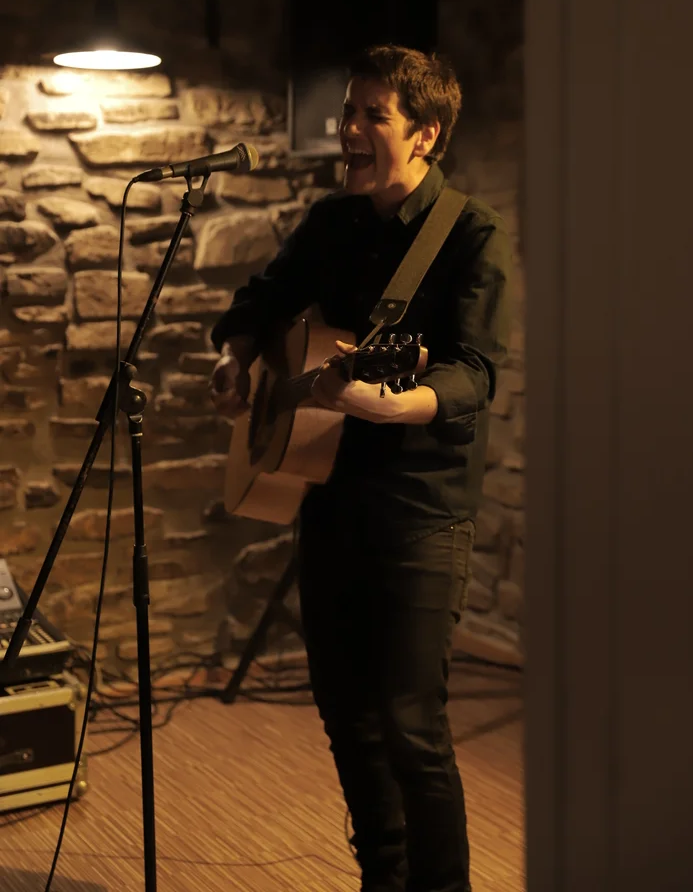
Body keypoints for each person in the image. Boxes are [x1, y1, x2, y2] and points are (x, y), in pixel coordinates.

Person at [209, 44, 513, 892]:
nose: (347, 129)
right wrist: (237, 358)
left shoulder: (474, 237)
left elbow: (472, 374)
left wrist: (389, 404)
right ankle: (384, 875)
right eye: (348, 111)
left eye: (372, 115)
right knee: (346, 712)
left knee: (411, 724)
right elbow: (262, 297)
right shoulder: (331, 222)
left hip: (421, 508)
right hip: (330, 495)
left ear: (427, 134)